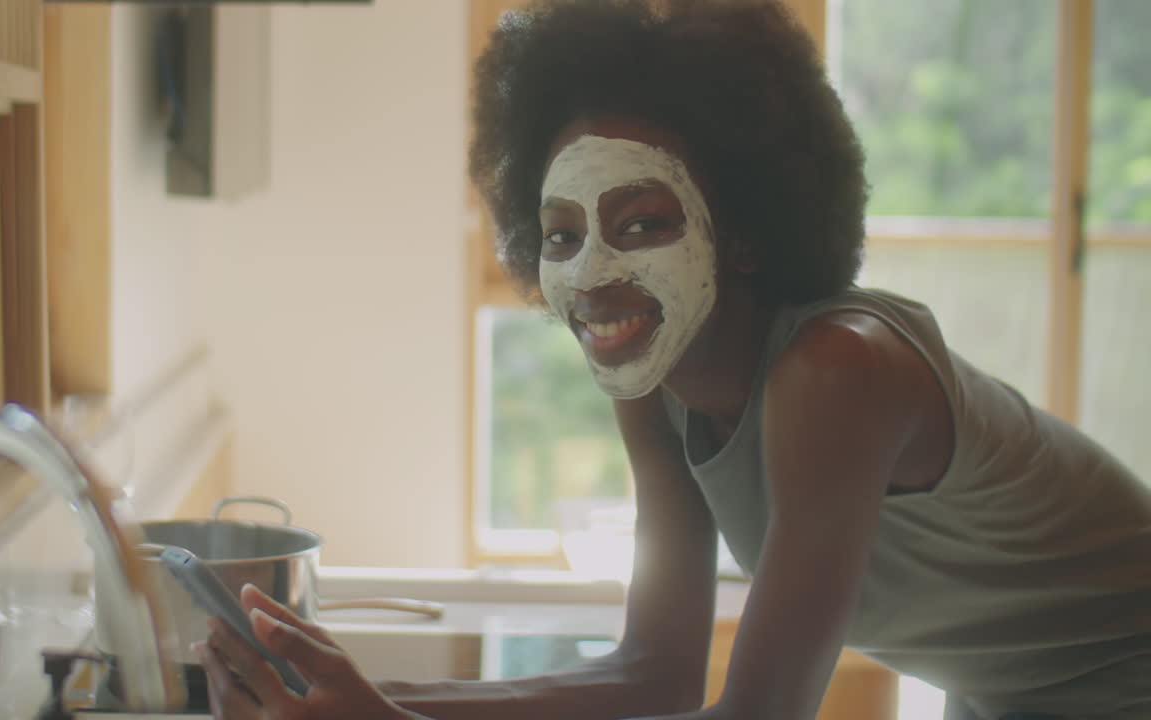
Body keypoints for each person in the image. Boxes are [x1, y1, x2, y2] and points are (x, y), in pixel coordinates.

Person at [198, 1, 1151, 718]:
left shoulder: (837, 372)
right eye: (562, 236)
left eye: (643, 222)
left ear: (741, 234)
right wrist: (377, 696)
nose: (592, 274)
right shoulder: (658, 385)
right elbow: (650, 675)